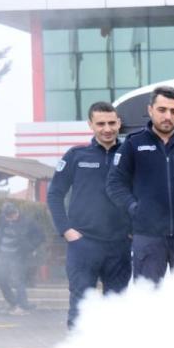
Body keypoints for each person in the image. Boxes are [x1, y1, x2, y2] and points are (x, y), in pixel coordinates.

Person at [106, 85, 174, 282]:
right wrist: (134, 208)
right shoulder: (133, 144)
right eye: (162, 110)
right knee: (147, 300)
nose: (168, 116)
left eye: (173, 111)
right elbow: (115, 184)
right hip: (148, 238)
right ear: (150, 110)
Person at [46, 101, 132, 329]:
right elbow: (54, 194)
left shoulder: (129, 154)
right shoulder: (76, 155)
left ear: (119, 123)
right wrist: (66, 230)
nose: (107, 129)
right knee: (81, 307)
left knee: (117, 308)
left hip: (120, 245)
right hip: (83, 244)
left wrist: (134, 230)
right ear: (90, 125)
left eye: (112, 123)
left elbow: (144, 193)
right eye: (101, 123)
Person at [0, 202, 44, 315]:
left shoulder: (27, 222)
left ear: (16, 212)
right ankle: (13, 303)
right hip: (3, 254)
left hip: (18, 255)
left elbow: (40, 236)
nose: (9, 219)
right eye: (7, 217)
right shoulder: (3, 219)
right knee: (1, 279)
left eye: (11, 216)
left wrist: (31, 247)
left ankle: (22, 306)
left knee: (18, 280)